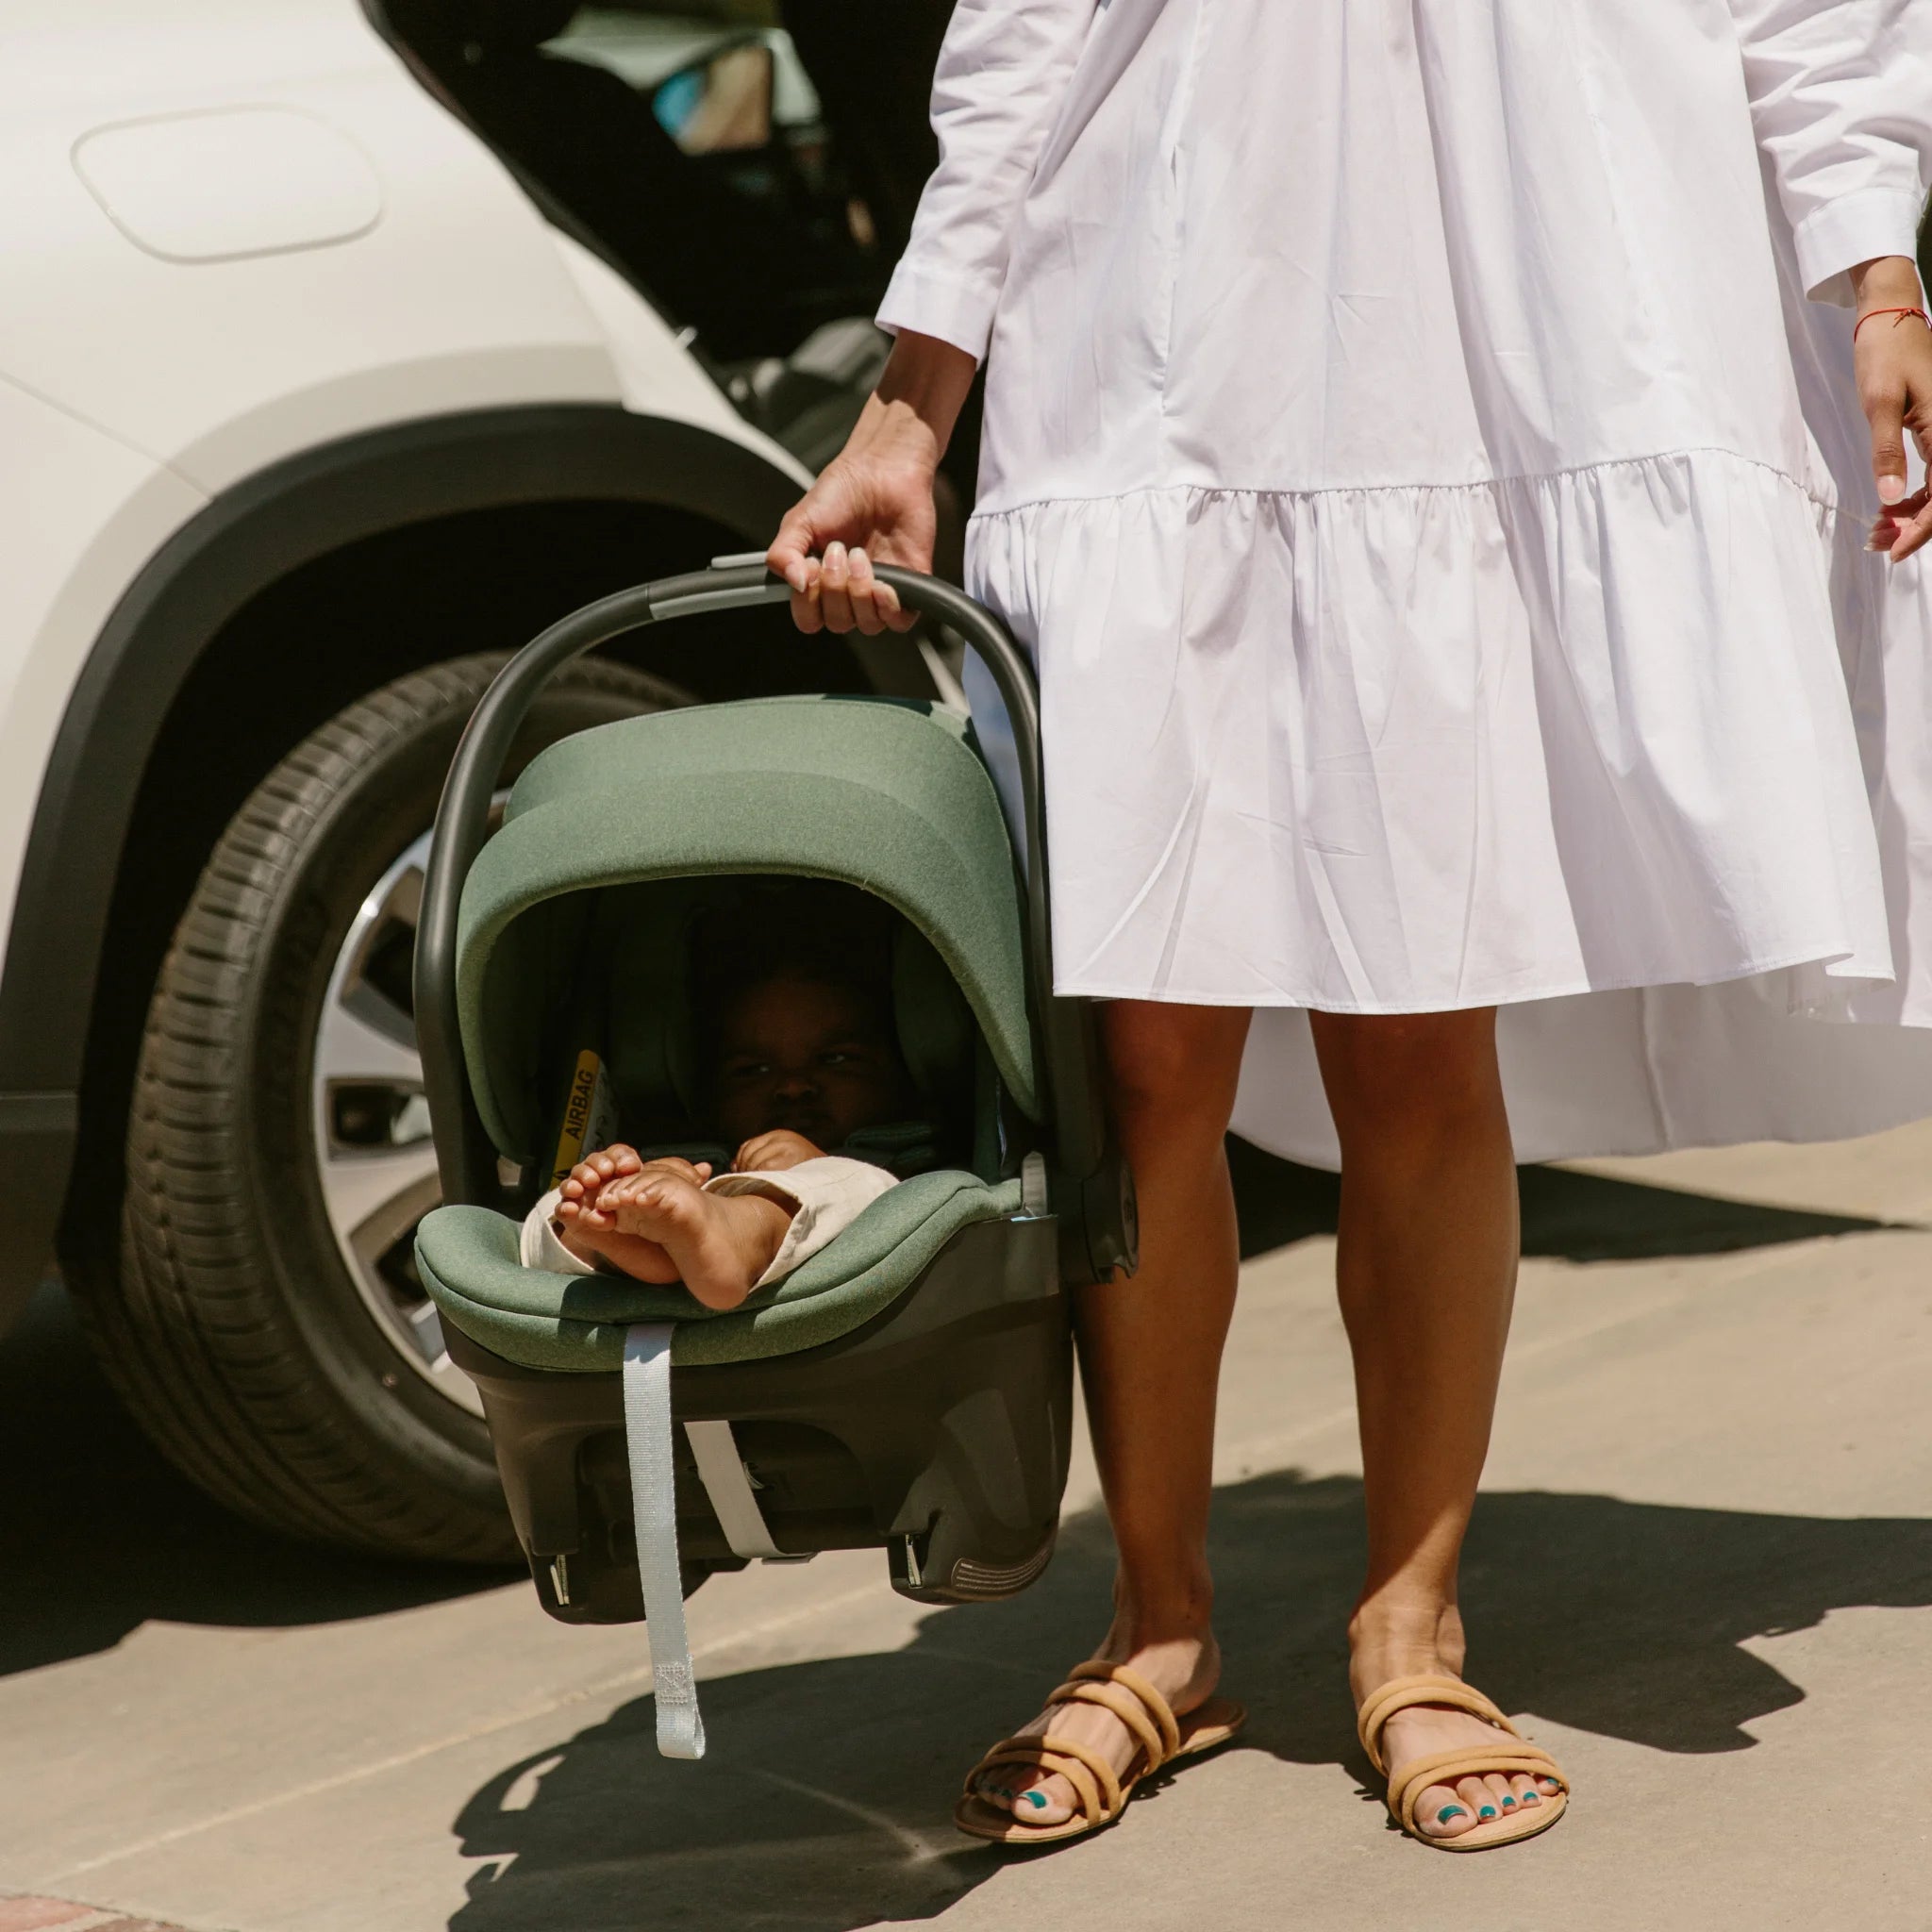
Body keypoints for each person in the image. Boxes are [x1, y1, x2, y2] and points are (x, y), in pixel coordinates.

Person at [767, 0, 1932, 1855]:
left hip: (1497, 317)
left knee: (1415, 1007)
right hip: (1158, 294)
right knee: (1144, 1043)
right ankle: (1158, 1625)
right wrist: (918, 397)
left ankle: (1411, 1611)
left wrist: (1876, 277)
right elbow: (1025, 24)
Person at [519, 916, 911, 1312]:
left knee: (867, 1187)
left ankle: (742, 1230)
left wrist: (809, 1171)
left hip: (860, 1233)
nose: (794, 1086)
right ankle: (606, 1242)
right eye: (753, 1070)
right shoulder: (691, 1160)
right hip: (686, 1216)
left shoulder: (912, 1162)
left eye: (836, 1059)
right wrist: (641, 1185)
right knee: (558, 1206)